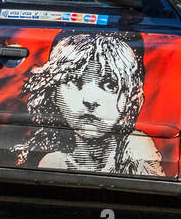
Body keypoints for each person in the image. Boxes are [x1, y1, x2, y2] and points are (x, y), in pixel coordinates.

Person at [13, 29, 164, 176]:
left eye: (110, 85)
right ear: (53, 92)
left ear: (132, 99)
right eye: (73, 80)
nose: (90, 99)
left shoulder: (140, 151)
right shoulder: (52, 163)